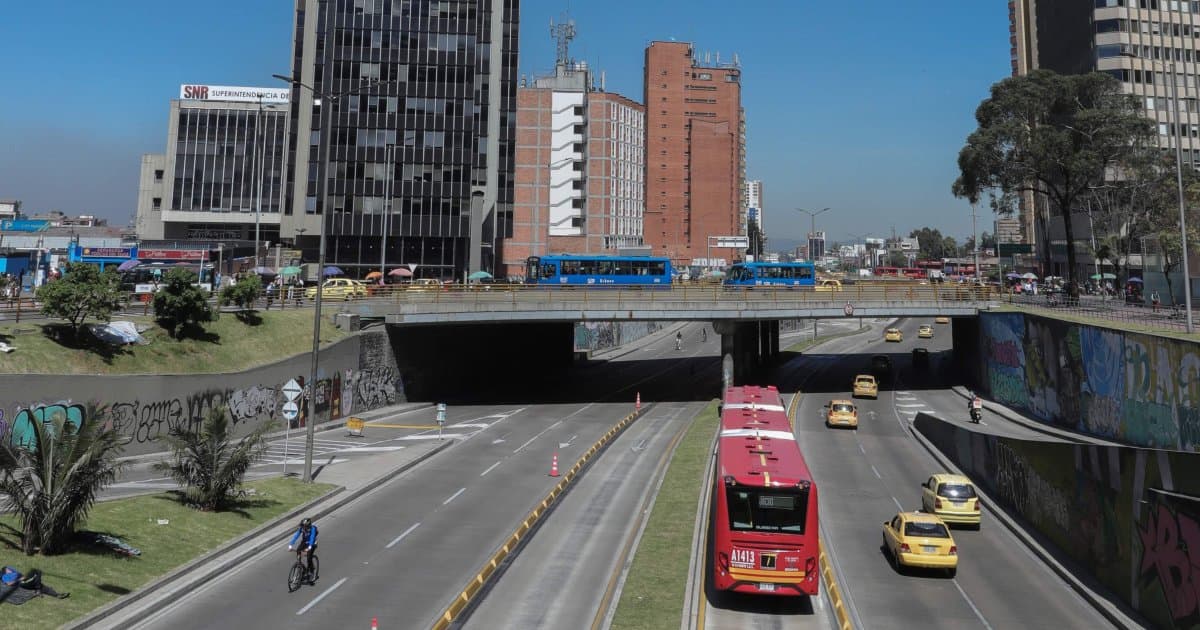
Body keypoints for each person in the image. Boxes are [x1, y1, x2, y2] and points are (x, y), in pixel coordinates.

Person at [0, 566, 68, 604]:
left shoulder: (8, 568)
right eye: (8, 570)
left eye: (9, 569)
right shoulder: (4, 576)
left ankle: (57, 595)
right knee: (37, 573)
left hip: (24, 579)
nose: (10, 570)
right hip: (22, 583)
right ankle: (39, 589)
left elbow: (18, 573)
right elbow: (9, 583)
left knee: (40, 581)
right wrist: (20, 579)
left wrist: (23, 576)